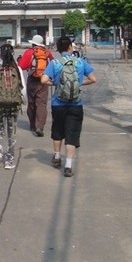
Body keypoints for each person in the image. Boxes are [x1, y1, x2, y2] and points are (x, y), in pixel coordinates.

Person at [41, 35, 96, 177]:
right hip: (76, 104)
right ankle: (68, 165)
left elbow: (43, 80)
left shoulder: (54, 63)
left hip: (58, 103)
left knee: (58, 130)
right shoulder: (80, 62)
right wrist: (79, 84)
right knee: (72, 133)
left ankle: (57, 156)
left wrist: (55, 83)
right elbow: (93, 79)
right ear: (70, 47)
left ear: (58, 49)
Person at [0, 43, 26, 170]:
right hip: (13, 105)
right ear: (13, 53)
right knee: (11, 131)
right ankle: (9, 159)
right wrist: (22, 102)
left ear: (0, 55)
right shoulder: (17, 68)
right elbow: (22, 88)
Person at [18, 34, 54, 137]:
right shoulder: (47, 53)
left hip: (32, 80)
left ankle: (33, 124)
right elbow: (53, 65)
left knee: (31, 102)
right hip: (44, 80)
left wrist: (20, 60)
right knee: (41, 104)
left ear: (33, 43)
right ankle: (40, 127)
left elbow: (22, 66)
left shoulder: (29, 52)